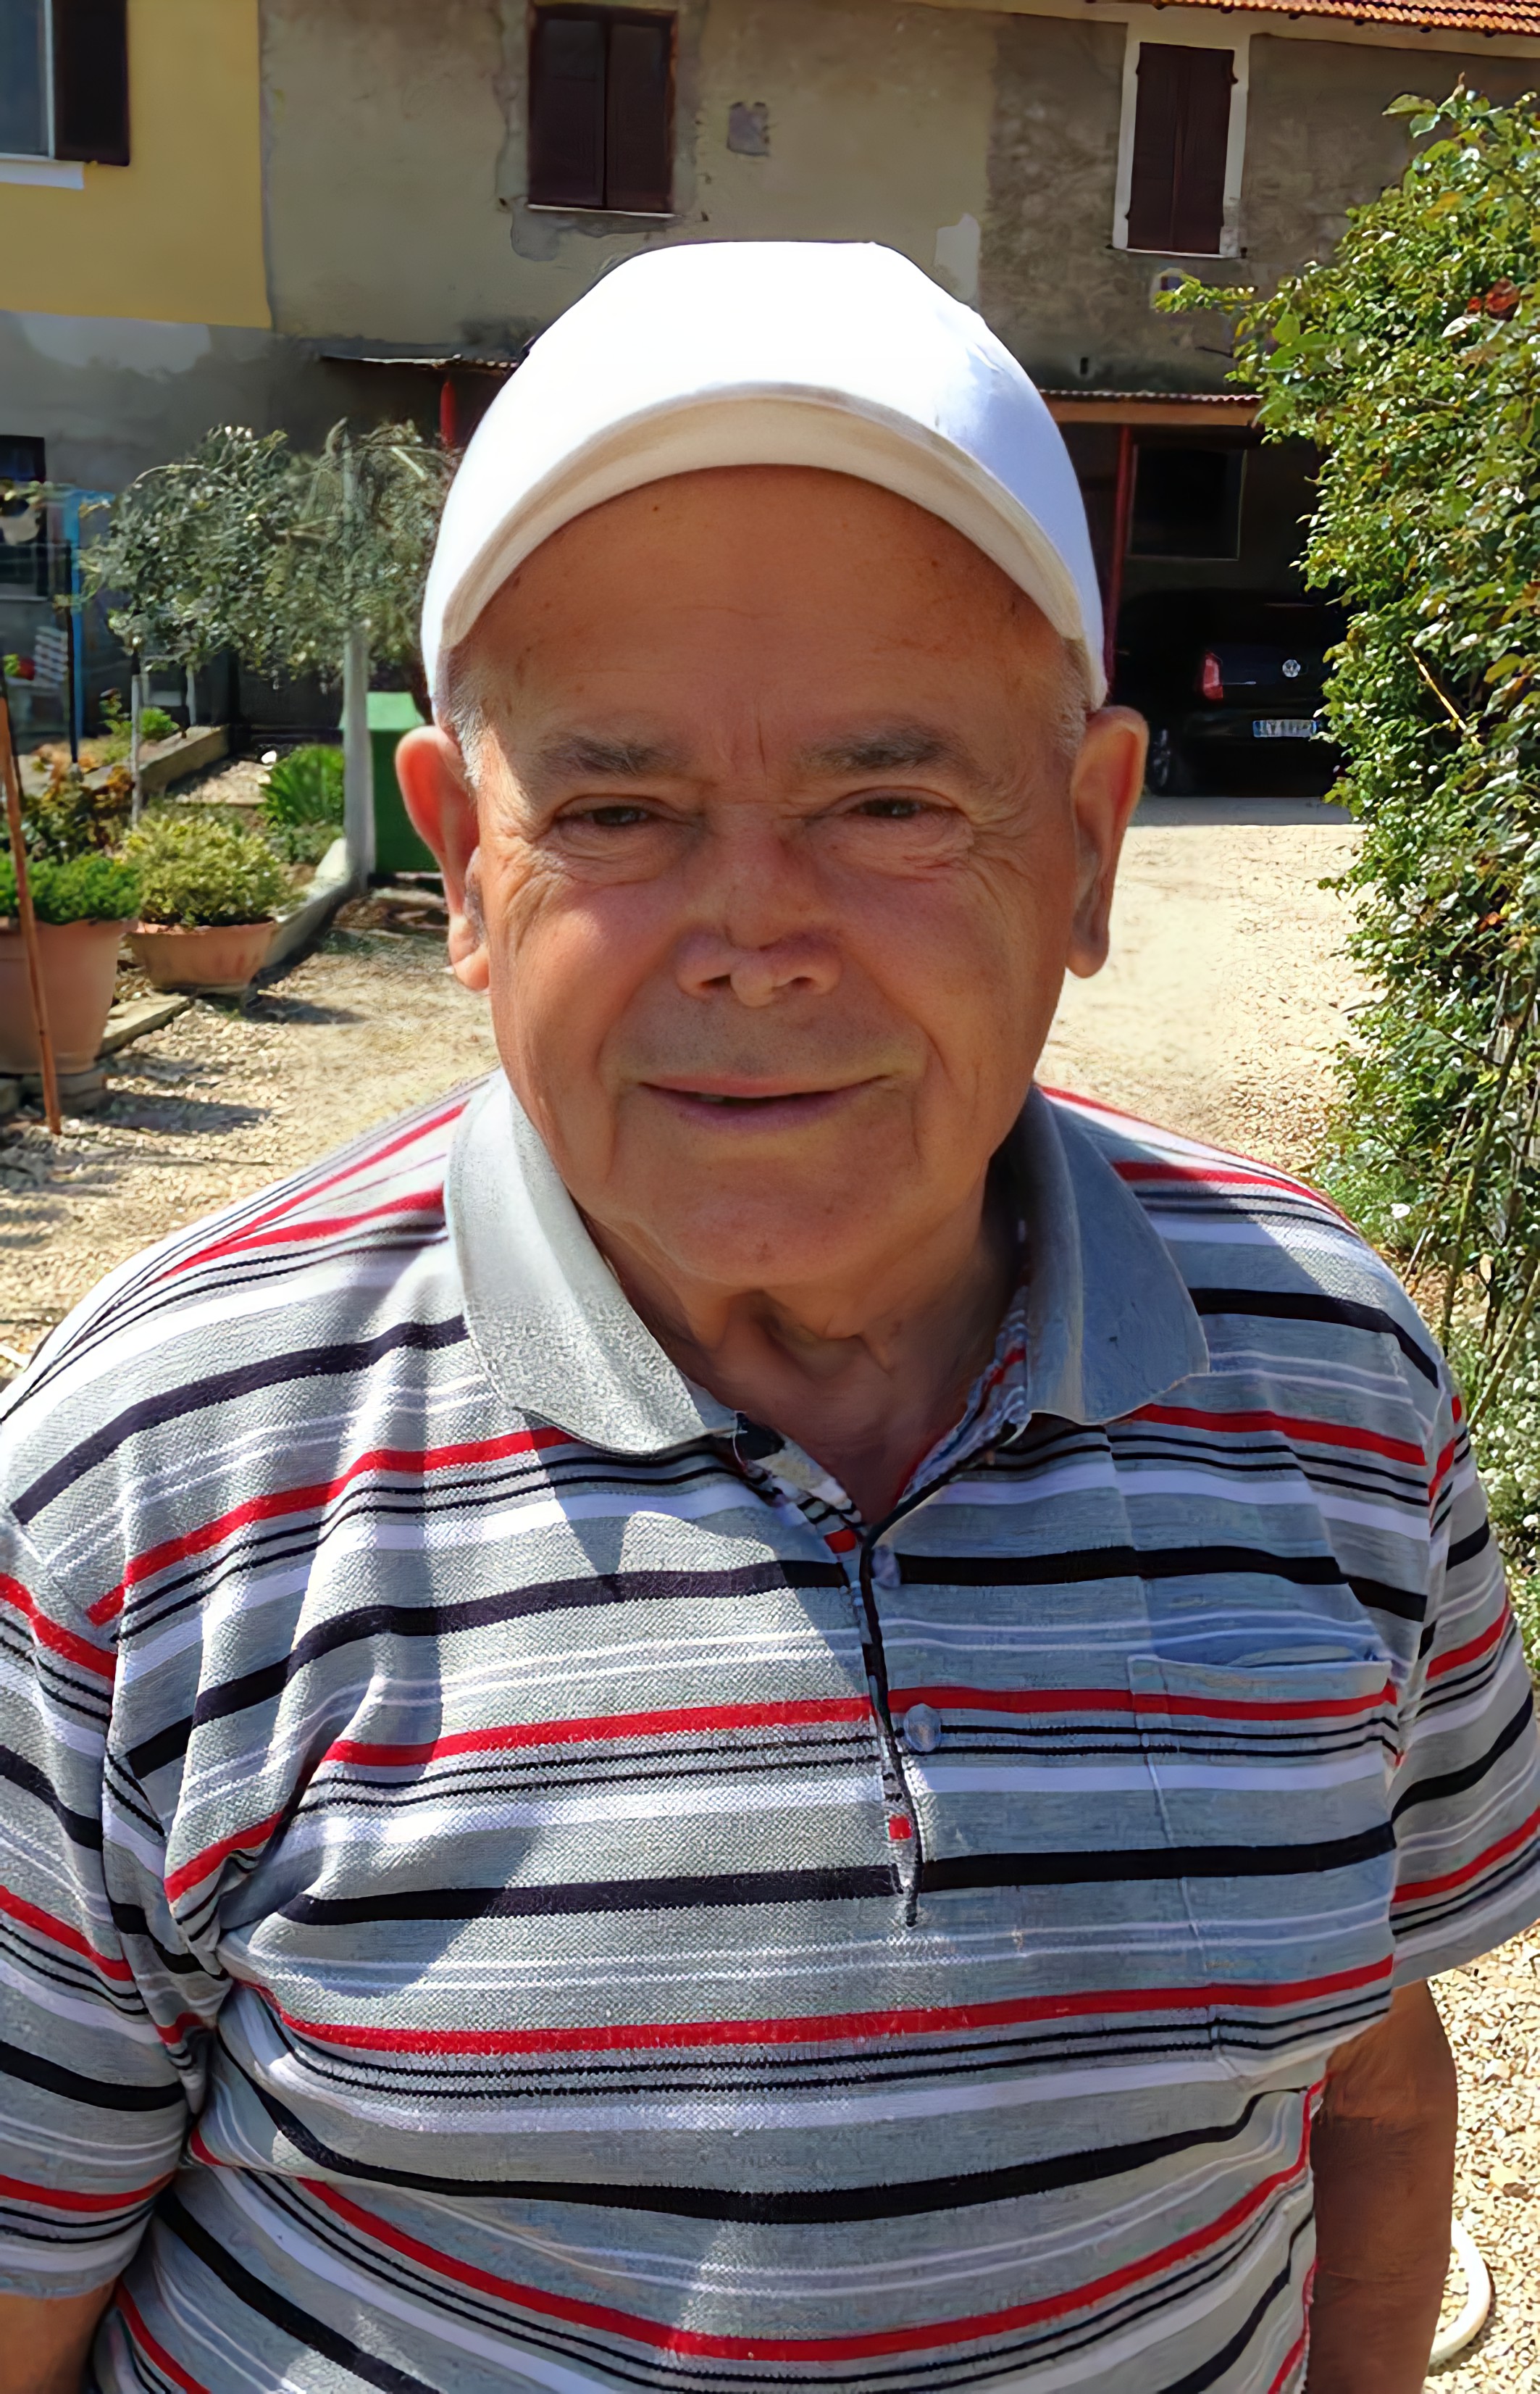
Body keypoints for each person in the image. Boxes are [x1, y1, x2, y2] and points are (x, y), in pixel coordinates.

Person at [0, 243, 1534, 2394]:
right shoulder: (153, 1475)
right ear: (463, 861)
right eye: (617, 811)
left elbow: (1367, 2077)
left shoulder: (1332, 1381)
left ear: (1092, 846)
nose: (753, 933)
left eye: (891, 803)